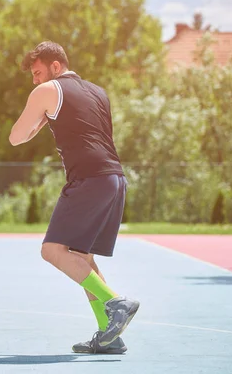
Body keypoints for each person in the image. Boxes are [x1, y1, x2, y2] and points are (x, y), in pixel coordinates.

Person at [9, 41, 139, 354]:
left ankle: (115, 303)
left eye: (38, 72)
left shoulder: (48, 90)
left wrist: (41, 118)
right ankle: (109, 336)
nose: (35, 80)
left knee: (52, 250)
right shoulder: (98, 91)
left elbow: (15, 137)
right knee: (84, 258)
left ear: (56, 66)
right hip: (114, 179)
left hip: (89, 179)